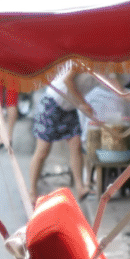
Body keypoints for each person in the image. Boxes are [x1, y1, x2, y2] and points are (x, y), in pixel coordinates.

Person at [28, 64, 98, 202]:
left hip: (69, 107)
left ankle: (80, 188)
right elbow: (67, 80)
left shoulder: (103, 65)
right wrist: (83, 103)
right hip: (52, 102)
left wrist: (125, 94)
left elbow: (113, 80)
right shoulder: (81, 59)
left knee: (76, 146)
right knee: (42, 151)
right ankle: (32, 191)